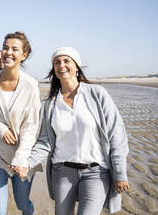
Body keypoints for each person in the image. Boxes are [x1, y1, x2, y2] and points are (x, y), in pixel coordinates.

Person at [15, 47, 130, 215]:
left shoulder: (97, 94)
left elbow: (116, 136)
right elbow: (45, 141)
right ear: (54, 69)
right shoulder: (50, 104)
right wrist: (26, 162)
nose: (62, 65)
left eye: (66, 61)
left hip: (96, 172)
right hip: (62, 171)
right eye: (57, 62)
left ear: (77, 66)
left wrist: (120, 173)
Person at [0, 32, 41, 215]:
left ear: (24, 55)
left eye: (14, 49)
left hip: (23, 155)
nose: (8, 52)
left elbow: (32, 125)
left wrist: (21, 156)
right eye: (5, 48)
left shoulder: (31, 85)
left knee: (22, 204)